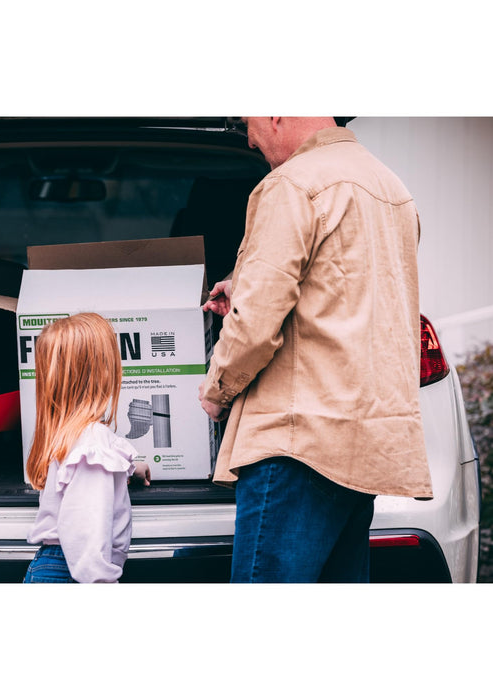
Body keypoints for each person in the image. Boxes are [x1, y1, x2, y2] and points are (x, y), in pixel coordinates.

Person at [199, 117, 433, 583]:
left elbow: (256, 322)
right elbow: (349, 295)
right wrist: (241, 284)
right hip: (361, 446)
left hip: (296, 445)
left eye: (249, 123)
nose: (250, 138)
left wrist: (216, 391)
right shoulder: (391, 187)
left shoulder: (292, 184)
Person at [24, 312, 151, 584]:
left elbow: (81, 484)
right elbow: (85, 535)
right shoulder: (93, 444)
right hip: (74, 573)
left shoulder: (67, 436)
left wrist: (131, 469)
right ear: (103, 373)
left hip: (55, 566)